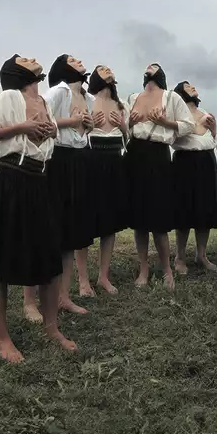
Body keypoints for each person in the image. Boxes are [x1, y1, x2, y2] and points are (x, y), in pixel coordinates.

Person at [0, 54, 77, 363]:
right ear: (17, 70)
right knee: (1, 261)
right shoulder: (9, 97)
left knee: (49, 254)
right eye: (25, 58)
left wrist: (48, 131)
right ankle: (1, 338)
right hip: (11, 180)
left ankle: (52, 327)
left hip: (40, 180)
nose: (32, 57)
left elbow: (45, 136)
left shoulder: (44, 102)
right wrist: (22, 127)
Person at [29, 54, 96, 316]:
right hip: (57, 160)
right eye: (73, 59)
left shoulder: (88, 98)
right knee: (48, 230)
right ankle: (30, 300)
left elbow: (81, 133)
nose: (80, 61)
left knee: (71, 231)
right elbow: (40, 119)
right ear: (65, 67)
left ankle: (63, 297)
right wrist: (74, 121)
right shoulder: (59, 91)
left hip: (79, 160)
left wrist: (88, 125)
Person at [126, 63, 195, 290]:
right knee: (139, 218)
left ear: (161, 74)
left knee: (159, 217)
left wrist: (164, 122)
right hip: (135, 153)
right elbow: (122, 129)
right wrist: (131, 122)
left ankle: (167, 268)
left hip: (158, 155)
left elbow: (188, 125)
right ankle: (144, 267)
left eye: (154, 67)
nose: (149, 68)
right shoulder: (133, 97)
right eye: (146, 67)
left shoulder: (171, 97)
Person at [73, 65, 129, 296]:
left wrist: (123, 126)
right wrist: (88, 127)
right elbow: (74, 137)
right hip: (90, 161)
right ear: (95, 77)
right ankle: (83, 281)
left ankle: (103, 277)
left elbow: (129, 141)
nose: (109, 70)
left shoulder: (121, 104)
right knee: (84, 223)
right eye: (102, 68)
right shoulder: (85, 100)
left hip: (115, 162)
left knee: (110, 224)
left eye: (110, 68)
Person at [171, 81, 217, 274]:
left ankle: (202, 255)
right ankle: (180, 257)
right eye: (187, 86)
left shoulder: (206, 114)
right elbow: (174, 136)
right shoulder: (176, 114)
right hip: (184, 161)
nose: (193, 87)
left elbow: (214, 139)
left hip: (206, 160)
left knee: (204, 208)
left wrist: (214, 127)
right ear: (181, 92)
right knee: (183, 209)